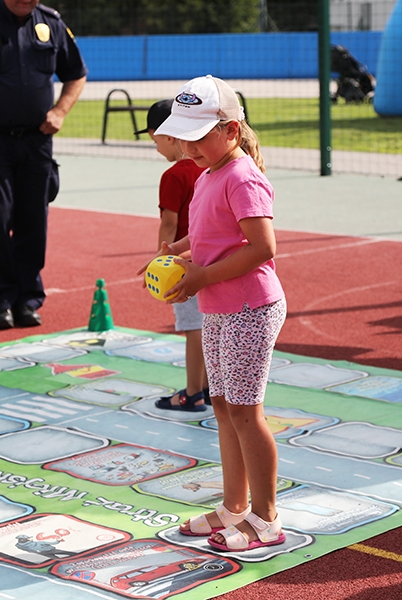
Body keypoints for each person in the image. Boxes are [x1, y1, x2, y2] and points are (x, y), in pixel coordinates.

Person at [138, 75, 287, 552]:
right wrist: (177, 253)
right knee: (222, 407)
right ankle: (234, 506)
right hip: (221, 308)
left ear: (232, 130)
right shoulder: (206, 175)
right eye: (183, 133)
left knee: (245, 411)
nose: (189, 144)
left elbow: (262, 248)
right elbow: (206, 233)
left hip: (250, 307)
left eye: (199, 134)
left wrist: (200, 276)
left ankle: (266, 518)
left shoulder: (242, 176)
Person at [0, 0, 87, 330]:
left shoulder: (51, 22)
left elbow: (76, 75)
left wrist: (60, 111)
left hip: (36, 141)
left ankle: (27, 300)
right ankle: (0, 302)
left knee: (33, 222)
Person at [139, 99, 210, 412]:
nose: (156, 149)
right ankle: (208, 388)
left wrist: (159, 261)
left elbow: (169, 223)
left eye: (155, 141)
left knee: (193, 327)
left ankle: (193, 392)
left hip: (185, 264)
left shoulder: (174, 175)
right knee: (209, 325)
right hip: (214, 258)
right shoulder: (210, 167)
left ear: (170, 136)